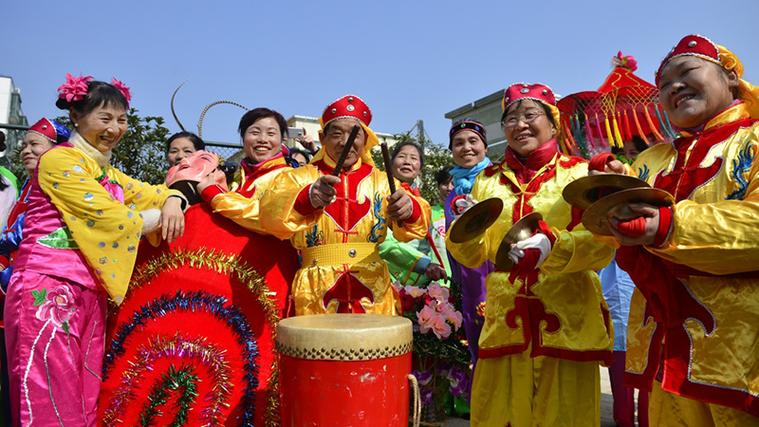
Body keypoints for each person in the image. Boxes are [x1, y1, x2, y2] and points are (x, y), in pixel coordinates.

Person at [593, 34, 759, 425]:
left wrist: (668, 225)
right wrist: (605, 195)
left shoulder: (753, 140)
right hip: (663, 352)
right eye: (664, 84)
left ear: (731, 77)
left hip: (741, 355)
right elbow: (608, 235)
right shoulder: (652, 160)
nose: (674, 87)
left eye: (687, 72)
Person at [3, 74, 186, 426]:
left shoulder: (105, 170)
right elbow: (109, 216)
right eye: (105, 118)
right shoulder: (59, 160)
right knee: (47, 395)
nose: (115, 129)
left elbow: (150, 193)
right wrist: (157, 215)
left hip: (88, 292)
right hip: (48, 285)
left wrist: (174, 200)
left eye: (122, 120)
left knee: (84, 393)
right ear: (76, 116)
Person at [447, 83, 614, 426]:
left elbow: (603, 241)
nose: (520, 124)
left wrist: (556, 246)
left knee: (566, 417)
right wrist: (467, 228)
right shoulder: (487, 181)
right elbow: (473, 256)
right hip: (505, 320)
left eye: (530, 115)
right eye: (511, 118)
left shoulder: (580, 174)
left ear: (553, 124)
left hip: (567, 318)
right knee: (498, 415)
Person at [259, 94, 431, 315]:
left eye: (354, 134)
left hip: (373, 289)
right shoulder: (298, 177)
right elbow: (270, 214)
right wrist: (307, 198)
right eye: (336, 134)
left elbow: (417, 226)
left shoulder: (381, 181)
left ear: (365, 140)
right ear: (322, 138)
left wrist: (409, 209)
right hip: (315, 289)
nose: (344, 142)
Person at [196, 107, 299, 313]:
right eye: (255, 132)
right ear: (243, 137)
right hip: (232, 276)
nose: (263, 139)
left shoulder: (288, 176)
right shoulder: (238, 176)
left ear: (282, 140)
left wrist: (215, 196)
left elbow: (267, 219)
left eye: (271, 133)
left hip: (271, 276)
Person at [445, 119, 493, 365]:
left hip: (497, 277)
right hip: (467, 281)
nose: (466, 148)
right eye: (458, 143)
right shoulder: (453, 193)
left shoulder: (498, 181)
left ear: (485, 147)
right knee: (476, 348)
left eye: (473, 141)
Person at [380, 140, 446, 286]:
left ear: (420, 169)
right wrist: (423, 264)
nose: (407, 162)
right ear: (390, 163)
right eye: (402, 156)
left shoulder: (421, 202)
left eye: (414, 158)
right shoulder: (380, 192)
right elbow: (384, 243)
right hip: (390, 277)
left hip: (422, 280)